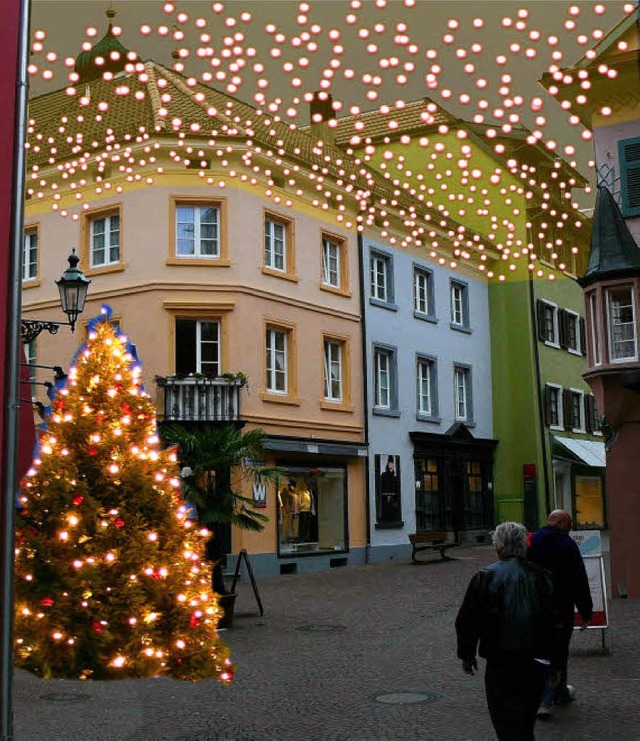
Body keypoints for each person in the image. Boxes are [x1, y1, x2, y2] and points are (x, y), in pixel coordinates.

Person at [456, 522, 560, 741]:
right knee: (524, 723)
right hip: (535, 662)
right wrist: (556, 663)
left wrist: (467, 655)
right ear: (523, 545)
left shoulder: (485, 577)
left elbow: (468, 620)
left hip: (500, 663)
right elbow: (555, 623)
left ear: (498, 546)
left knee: (505, 724)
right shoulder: (542, 576)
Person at [528, 509, 593, 717]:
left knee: (538, 651)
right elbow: (579, 581)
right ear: (562, 524)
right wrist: (586, 611)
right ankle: (554, 694)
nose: (570, 529)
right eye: (570, 525)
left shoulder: (531, 541)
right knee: (559, 651)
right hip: (560, 608)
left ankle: (540, 694)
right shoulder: (567, 545)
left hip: (534, 607)